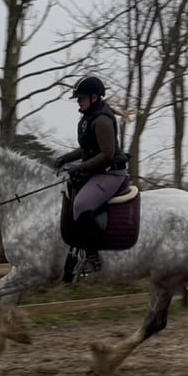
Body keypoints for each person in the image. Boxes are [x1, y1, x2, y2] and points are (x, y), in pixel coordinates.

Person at [54, 76, 130, 275]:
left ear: (94, 97)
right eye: (78, 98)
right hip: (97, 171)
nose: (78, 101)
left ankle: (93, 257)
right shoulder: (90, 117)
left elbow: (106, 155)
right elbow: (87, 148)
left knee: (81, 204)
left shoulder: (102, 120)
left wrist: (79, 168)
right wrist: (66, 158)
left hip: (111, 173)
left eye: (81, 97)